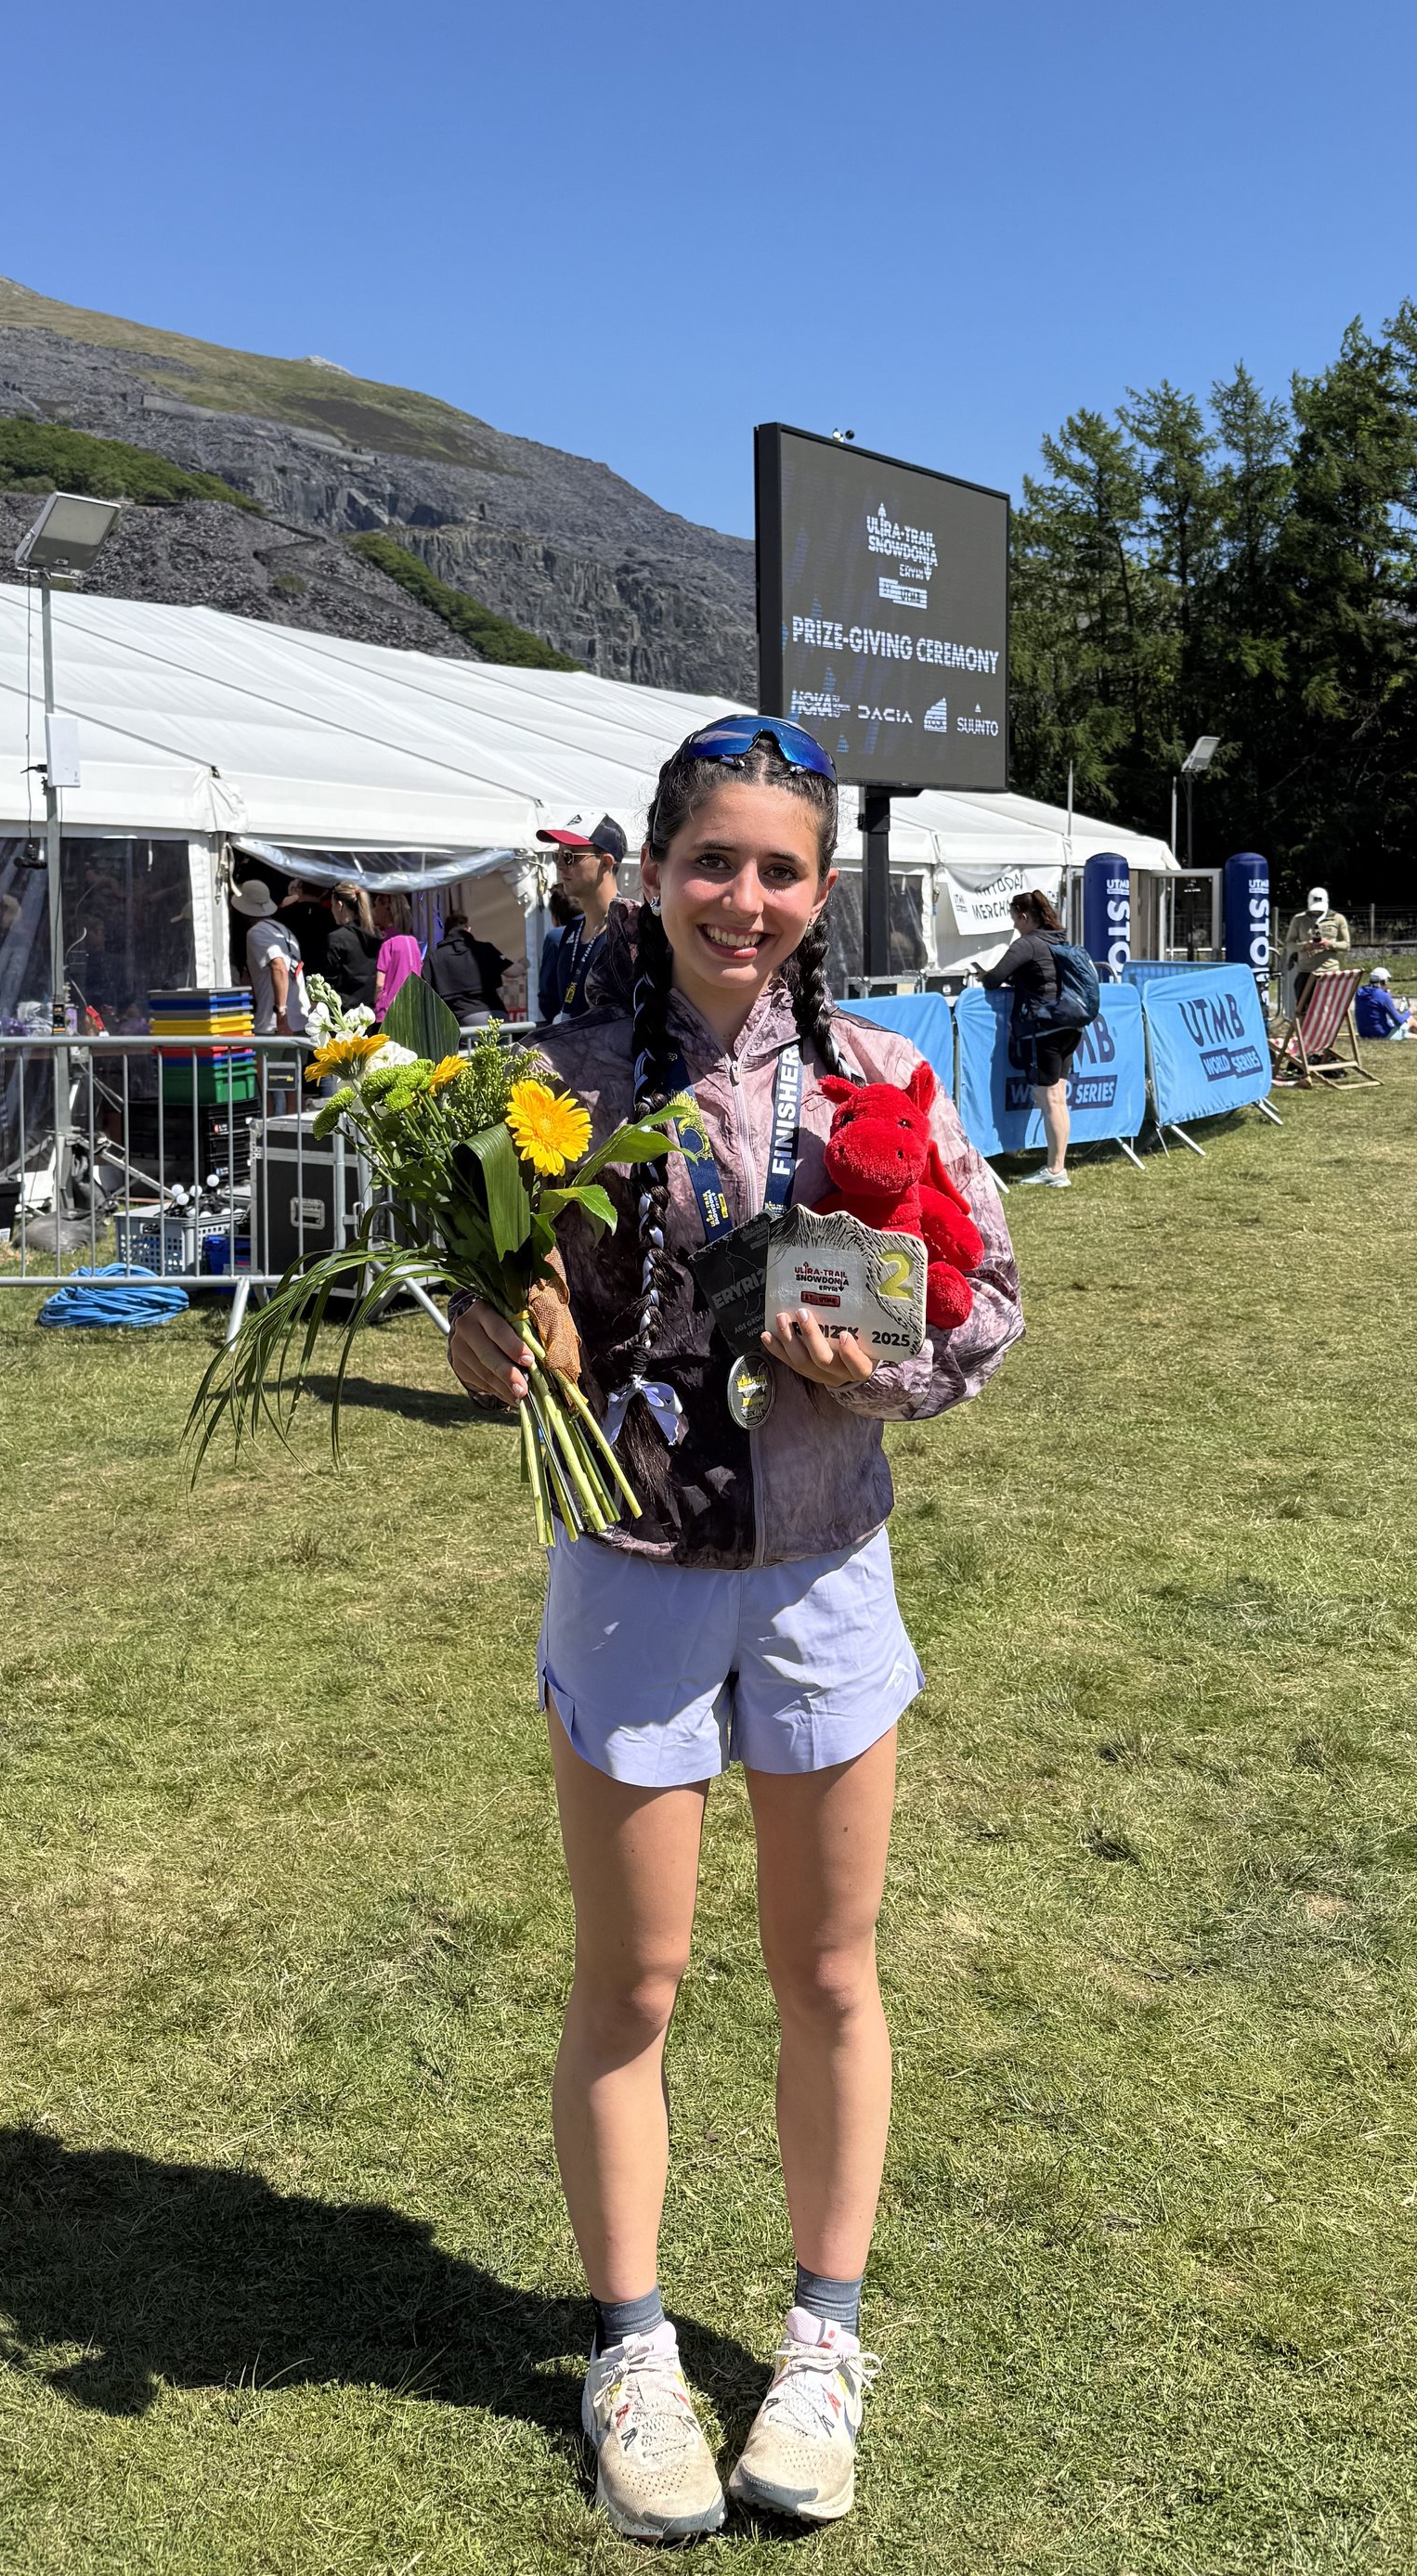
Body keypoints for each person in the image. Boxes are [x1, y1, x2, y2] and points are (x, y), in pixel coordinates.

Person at [448, 714, 1020, 2540]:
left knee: (827, 1974)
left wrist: (886, 1366)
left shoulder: (882, 1074)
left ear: (818, 890)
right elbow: (484, 1319)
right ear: (654, 865)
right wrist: (480, 1340)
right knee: (628, 1980)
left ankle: (821, 2341)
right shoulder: (549, 1077)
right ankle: (629, 2350)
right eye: (714, 860)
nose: (744, 899)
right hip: (626, 1567)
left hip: (820, 1568)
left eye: (778, 870)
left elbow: (983, 1301)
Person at [981, 888, 1085, 1186]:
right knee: (1058, 1097)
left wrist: (987, 975)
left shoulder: (1026, 944)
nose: (1014, 925)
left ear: (1025, 917)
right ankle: (1057, 1166)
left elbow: (993, 978)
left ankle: (1055, 1170)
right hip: (1070, 1025)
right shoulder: (1060, 939)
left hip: (1044, 1029)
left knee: (1048, 1096)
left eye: (1015, 919)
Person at [537, 813, 627, 1023]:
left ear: (605, 863)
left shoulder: (630, 928)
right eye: (556, 856)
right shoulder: (573, 929)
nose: (559, 865)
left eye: (569, 856)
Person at [234, 877, 315, 1036]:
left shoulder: (256, 933)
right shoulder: (284, 931)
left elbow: (279, 967)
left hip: (274, 1025)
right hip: (300, 1022)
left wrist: (281, 1012)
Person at [1278, 884, 1351, 1024]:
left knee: (1328, 1007)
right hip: (1306, 970)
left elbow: (1347, 945)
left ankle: (1325, 1034)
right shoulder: (1298, 919)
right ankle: (1305, 1035)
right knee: (1303, 1007)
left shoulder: (1337, 918)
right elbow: (1289, 944)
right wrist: (1305, 946)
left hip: (1329, 971)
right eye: (1314, 911)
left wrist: (1330, 944)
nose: (1316, 913)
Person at [425, 909, 508, 1027]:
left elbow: (422, 985)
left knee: (468, 1045)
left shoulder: (434, 957)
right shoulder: (486, 948)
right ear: (468, 929)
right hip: (496, 1015)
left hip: (461, 1019)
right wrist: (525, 963)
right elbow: (513, 972)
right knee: (502, 1045)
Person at [321, 886, 382, 1011]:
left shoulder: (337, 938)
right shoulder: (376, 935)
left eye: (332, 906)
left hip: (343, 1014)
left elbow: (329, 982)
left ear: (339, 905)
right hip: (369, 1012)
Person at [1353, 966, 1417, 1042]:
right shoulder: (1383, 995)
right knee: (1410, 1020)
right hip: (1381, 1035)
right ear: (1383, 982)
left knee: (1407, 1033)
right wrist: (1410, 1011)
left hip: (1364, 1034)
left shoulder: (1360, 992)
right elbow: (1399, 1021)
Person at [371, 895, 424, 1021]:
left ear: (386, 909)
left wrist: (374, 1003)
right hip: (412, 1009)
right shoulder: (413, 942)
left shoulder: (387, 943)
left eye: (376, 906)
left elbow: (380, 983)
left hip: (388, 1012)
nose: (374, 911)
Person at [536, 886, 581, 1026]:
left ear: (555, 917)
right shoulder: (602, 928)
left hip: (566, 1021)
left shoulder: (556, 937)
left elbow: (547, 989)